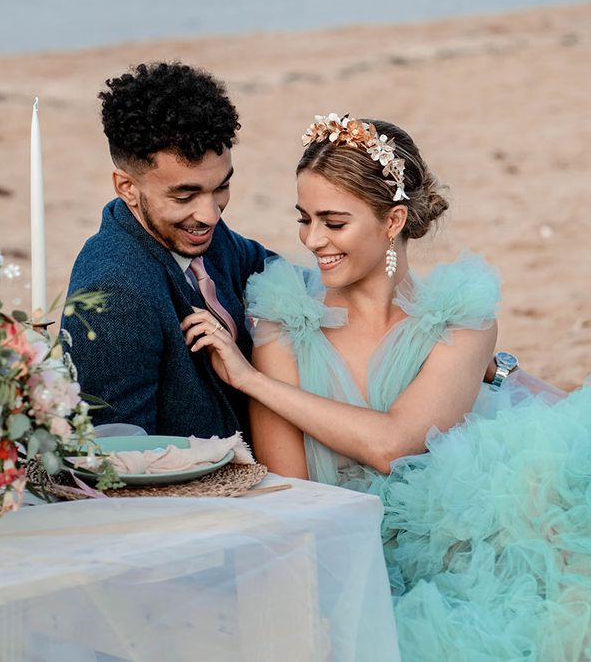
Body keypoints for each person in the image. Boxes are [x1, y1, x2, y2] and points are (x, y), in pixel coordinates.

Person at [182, 113, 591, 659]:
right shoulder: (284, 321)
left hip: (463, 546)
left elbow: (395, 444)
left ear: (393, 219)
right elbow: (289, 497)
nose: (312, 240)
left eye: (334, 221)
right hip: (348, 562)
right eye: (304, 219)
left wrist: (252, 381)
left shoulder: (460, 318)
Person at [61, 62, 268, 439]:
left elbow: (269, 269)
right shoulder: (114, 295)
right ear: (126, 188)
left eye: (221, 187)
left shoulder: (200, 232)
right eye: (185, 195)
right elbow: (121, 459)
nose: (209, 214)